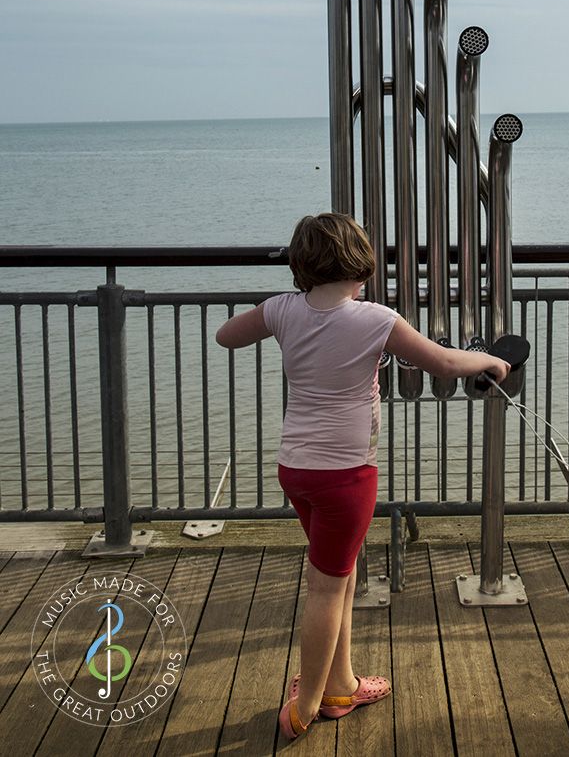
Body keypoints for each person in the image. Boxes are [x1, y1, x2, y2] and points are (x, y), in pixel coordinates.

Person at [215, 212, 510, 743]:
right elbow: (442, 363)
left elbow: (226, 335)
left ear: (301, 264)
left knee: (340, 574)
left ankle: (340, 684)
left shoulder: (284, 310)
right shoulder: (375, 319)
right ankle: (306, 707)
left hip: (296, 470)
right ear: (361, 264)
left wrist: (279, 313)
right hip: (346, 476)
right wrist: (490, 360)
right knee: (326, 588)